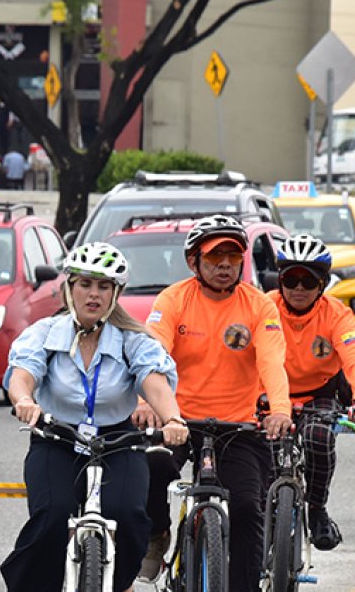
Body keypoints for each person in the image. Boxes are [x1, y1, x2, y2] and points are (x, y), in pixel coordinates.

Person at [1, 242, 187, 592]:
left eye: (104, 286)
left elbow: (153, 380)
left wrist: (172, 419)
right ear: (69, 287)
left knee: (131, 518)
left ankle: (118, 584)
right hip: (56, 437)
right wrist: (25, 400)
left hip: (118, 440)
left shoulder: (133, 340)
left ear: (117, 293)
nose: (94, 294)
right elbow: (24, 372)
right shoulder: (45, 333)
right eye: (85, 283)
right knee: (52, 517)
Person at [139, 215, 292, 590]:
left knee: (245, 509)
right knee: (150, 468)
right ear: (194, 262)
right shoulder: (173, 299)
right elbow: (153, 354)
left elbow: (272, 361)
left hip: (237, 425)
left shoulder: (259, 306)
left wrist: (280, 410)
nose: (225, 265)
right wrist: (146, 401)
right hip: (176, 418)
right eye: (214, 258)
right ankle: (157, 533)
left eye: (233, 257)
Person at [267, 234, 355, 551]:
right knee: (262, 449)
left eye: (308, 281)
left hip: (319, 393)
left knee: (318, 438)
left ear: (322, 284)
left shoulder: (336, 313)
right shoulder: (263, 307)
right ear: (280, 280)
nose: (298, 289)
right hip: (269, 397)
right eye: (291, 279)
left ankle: (316, 509)